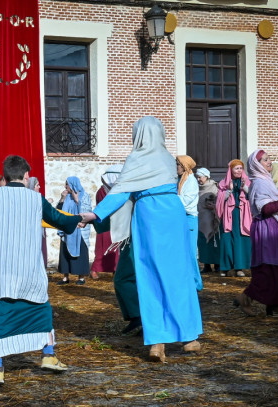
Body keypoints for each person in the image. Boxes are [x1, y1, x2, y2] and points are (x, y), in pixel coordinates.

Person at [0, 155, 86, 388]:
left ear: (5, 177)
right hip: (27, 271)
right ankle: (48, 355)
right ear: (26, 176)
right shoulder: (36, 199)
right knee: (40, 311)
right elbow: (59, 220)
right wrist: (79, 219)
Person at [91, 118, 202, 362]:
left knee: (150, 276)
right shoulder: (168, 158)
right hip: (173, 213)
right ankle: (189, 338)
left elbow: (120, 192)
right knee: (178, 273)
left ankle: (157, 343)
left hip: (149, 214)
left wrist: (95, 214)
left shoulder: (136, 158)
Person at [233, 150, 278, 318]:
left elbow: (270, 201)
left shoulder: (265, 180)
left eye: (269, 159)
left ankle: (275, 303)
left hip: (272, 227)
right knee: (267, 267)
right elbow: (266, 209)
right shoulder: (260, 183)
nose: (270, 162)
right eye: (265, 160)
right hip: (266, 229)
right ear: (257, 165)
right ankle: (245, 298)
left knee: (277, 267)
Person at [216, 159, 252, 277]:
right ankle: (225, 268)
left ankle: (239, 267)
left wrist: (244, 187)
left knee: (240, 239)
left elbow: (252, 196)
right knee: (226, 239)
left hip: (242, 214)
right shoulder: (223, 183)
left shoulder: (247, 181)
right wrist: (229, 190)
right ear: (230, 170)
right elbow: (220, 200)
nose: (239, 170)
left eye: (241, 168)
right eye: (236, 168)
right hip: (228, 215)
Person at [56, 177, 92, 285]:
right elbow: (58, 211)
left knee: (81, 250)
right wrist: (62, 198)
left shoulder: (84, 196)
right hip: (67, 228)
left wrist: (77, 200)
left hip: (79, 228)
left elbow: (87, 211)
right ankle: (65, 277)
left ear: (72, 185)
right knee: (65, 252)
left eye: (67, 184)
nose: (65, 186)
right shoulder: (66, 197)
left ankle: (81, 277)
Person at [176, 155, 203, 292]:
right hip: (181, 217)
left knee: (191, 252)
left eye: (178, 164)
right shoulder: (180, 180)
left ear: (184, 166)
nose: (176, 167)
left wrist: (171, 198)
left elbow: (186, 202)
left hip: (189, 218)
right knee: (182, 251)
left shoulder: (191, 182)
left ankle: (196, 283)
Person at [91, 166, 122, 279]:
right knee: (102, 248)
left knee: (116, 248)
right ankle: (95, 269)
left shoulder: (118, 191)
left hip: (117, 223)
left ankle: (115, 269)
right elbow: (104, 207)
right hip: (105, 223)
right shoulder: (102, 191)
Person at [195, 168, 220, 273]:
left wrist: (214, 206)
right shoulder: (196, 188)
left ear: (206, 177)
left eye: (200, 177)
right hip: (201, 220)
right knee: (203, 243)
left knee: (214, 242)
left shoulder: (214, 188)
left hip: (212, 220)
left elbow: (219, 202)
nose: (198, 179)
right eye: (197, 177)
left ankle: (217, 264)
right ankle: (206, 265)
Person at [27, 177, 49, 268]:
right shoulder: (28, 199)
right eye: (37, 185)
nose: (39, 187)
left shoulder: (39, 198)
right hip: (31, 231)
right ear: (32, 186)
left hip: (40, 229)